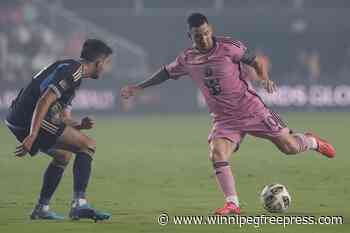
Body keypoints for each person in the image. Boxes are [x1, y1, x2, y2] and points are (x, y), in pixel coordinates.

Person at [120, 13, 336, 215]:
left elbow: (256, 61)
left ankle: (312, 141)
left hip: (252, 109)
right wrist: (138, 88)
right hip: (225, 119)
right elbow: (166, 72)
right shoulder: (187, 58)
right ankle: (233, 203)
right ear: (190, 36)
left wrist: (264, 78)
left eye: (206, 33)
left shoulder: (229, 47)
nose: (204, 38)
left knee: (289, 147)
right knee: (217, 153)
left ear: (210, 29)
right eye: (198, 36)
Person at [5, 39, 113, 221]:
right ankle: (79, 204)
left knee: (63, 155)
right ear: (99, 63)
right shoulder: (73, 72)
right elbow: (44, 101)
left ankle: (42, 208)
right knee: (88, 145)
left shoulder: (70, 70)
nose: (106, 68)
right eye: (107, 63)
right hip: (27, 118)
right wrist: (32, 134)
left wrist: (79, 125)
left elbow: (61, 119)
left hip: (19, 118)